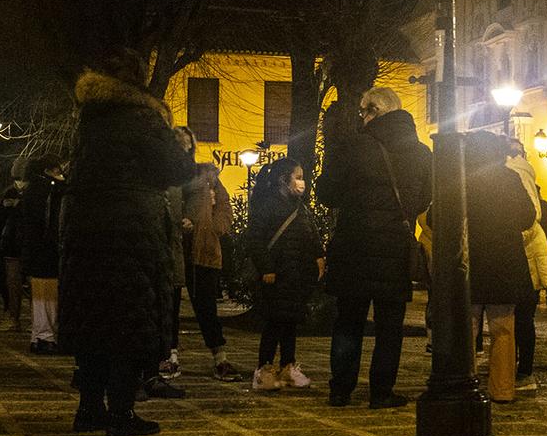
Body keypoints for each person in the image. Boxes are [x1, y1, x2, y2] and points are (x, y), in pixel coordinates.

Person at [60, 59, 197, 435]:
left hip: (86, 229)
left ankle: (88, 409)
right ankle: (122, 412)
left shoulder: (89, 119)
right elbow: (177, 169)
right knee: (128, 321)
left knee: (93, 321)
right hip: (131, 230)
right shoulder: (143, 117)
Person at [317, 86, 432, 408]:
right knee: (390, 325)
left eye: (362, 113)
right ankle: (382, 392)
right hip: (395, 245)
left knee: (348, 322)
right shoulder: (421, 153)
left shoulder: (353, 147)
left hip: (353, 243)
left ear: (372, 112)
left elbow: (327, 195)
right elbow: (425, 198)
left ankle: (341, 389)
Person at [464, 130, 537, 402]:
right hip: (505, 261)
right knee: (503, 329)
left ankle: (465, 386)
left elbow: (438, 218)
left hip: (469, 260)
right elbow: (528, 217)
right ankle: (503, 389)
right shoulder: (510, 178)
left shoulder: (463, 180)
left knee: (468, 329)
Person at [246, 156, 325, 393]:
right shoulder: (268, 205)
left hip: (296, 275)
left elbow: (310, 234)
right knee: (274, 322)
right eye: (298, 177)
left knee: (290, 321)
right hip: (277, 275)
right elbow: (256, 240)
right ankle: (265, 369)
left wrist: (318, 255)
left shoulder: (299, 207)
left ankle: (288, 367)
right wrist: (266, 267)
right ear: (284, 179)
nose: (302, 182)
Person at [147, 126, 199, 396]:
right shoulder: (159, 177)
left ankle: (165, 356)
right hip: (156, 253)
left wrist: (191, 217)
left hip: (173, 251)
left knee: (171, 307)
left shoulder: (186, 179)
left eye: (187, 144)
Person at [180, 161, 240, 380]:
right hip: (180, 248)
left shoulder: (215, 184)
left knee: (207, 308)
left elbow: (225, 211)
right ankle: (169, 356)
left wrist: (212, 226)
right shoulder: (180, 179)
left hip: (205, 250)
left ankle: (219, 357)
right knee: (168, 306)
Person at [505, 138, 547, 393]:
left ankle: (519, 370)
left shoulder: (515, 175)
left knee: (515, 318)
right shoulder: (527, 176)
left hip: (520, 258)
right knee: (522, 318)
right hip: (527, 258)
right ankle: (519, 369)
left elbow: (526, 220)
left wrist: (501, 234)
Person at [17, 156, 65, 353]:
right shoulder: (50, 191)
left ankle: (39, 335)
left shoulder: (30, 190)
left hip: (34, 251)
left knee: (39, 297)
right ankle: (47, 337)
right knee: (50, 297)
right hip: (48, 251)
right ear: (49, 171)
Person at [0, 185, 25, 333]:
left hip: (15, 252)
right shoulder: (12, 212)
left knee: (14, 286)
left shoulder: (18, 212)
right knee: (12, 286)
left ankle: (14, 319)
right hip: (11, 251)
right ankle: (13, 318)